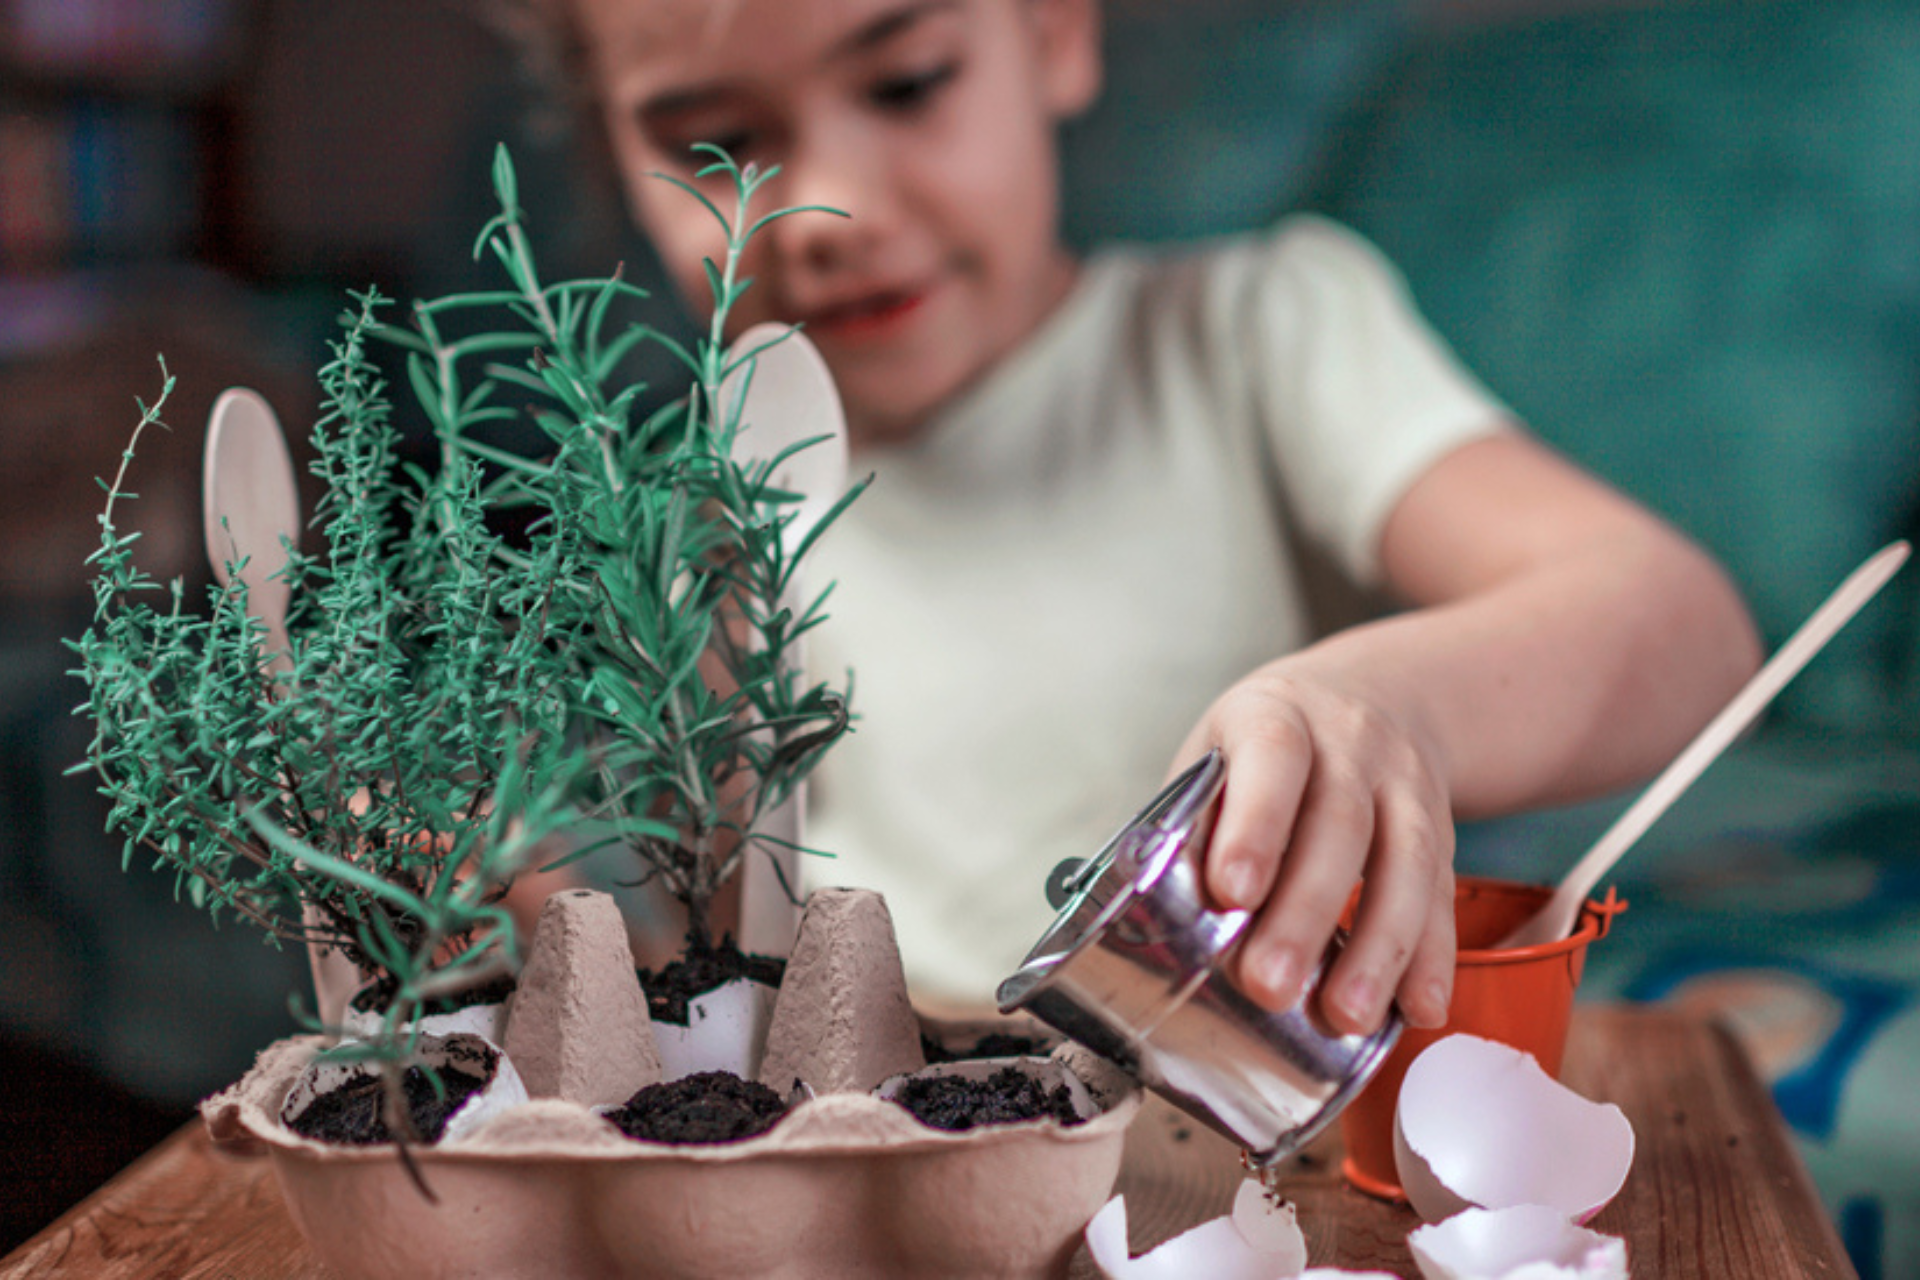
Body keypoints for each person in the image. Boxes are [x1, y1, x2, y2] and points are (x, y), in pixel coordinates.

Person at [546, 0, 1763, 1033]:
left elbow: (1681, 623)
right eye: (713, 143)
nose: (825, 210)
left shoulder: (1254, 338)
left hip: (1234, 1156)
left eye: (908, 84)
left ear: (1053, 33)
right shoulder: (699, 511)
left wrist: (1393, 705)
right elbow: (728, 953)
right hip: (899, 1146)